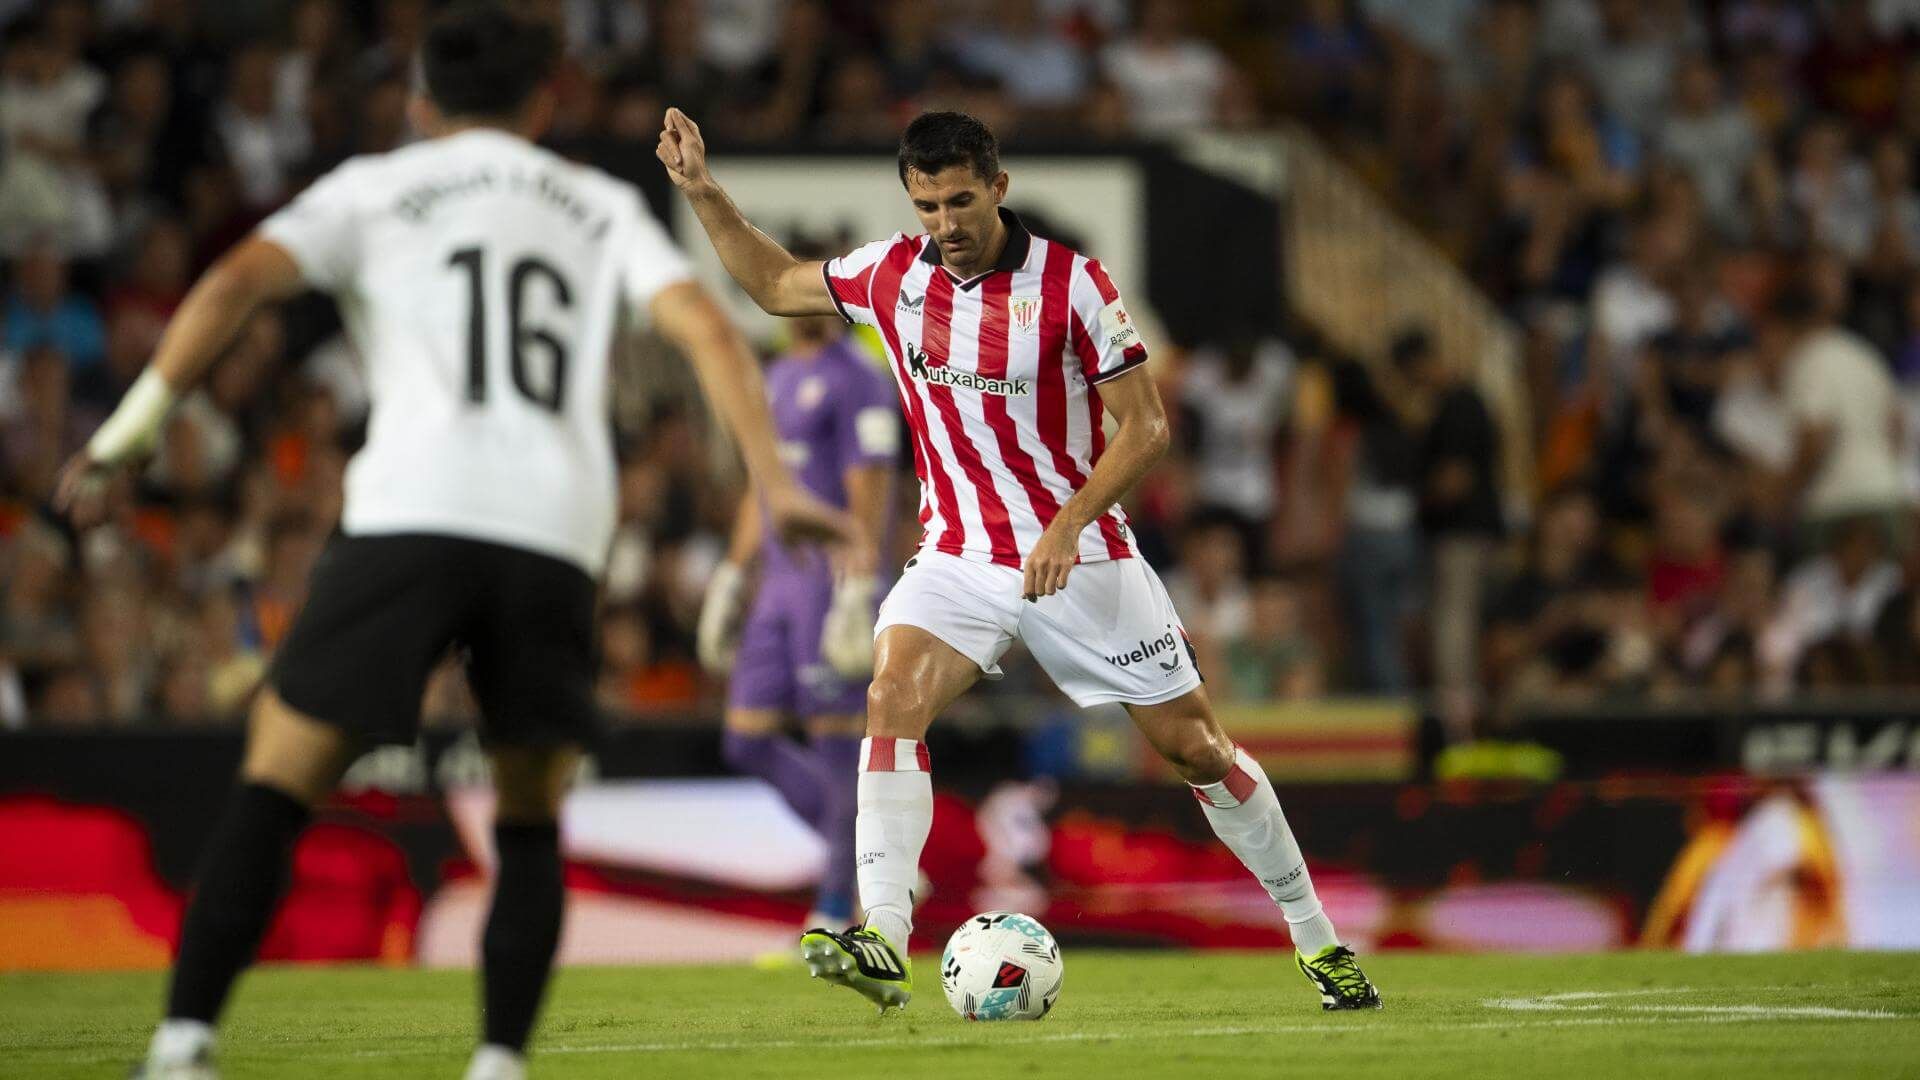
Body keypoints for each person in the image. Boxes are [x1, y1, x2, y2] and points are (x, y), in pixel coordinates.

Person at [58, 7, 851, 1080]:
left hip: (409, 513)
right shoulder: (598, 202)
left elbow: (236, 281)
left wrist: (126, 436)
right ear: (546, 102)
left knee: (280, 776)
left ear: (422, 102)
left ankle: (186, 1042)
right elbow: (709, 327)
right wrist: (773, 480)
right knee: (529, 809)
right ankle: (497, 1063)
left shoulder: (373, 187)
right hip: (554, 532)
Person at [657, 107, 1380, 1012]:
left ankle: (1319, 941)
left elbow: (1147, 427)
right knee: (891, 695)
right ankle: (882, 933)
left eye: (961, 200)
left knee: (1196, 750)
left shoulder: (1074, 285)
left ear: (997, 187)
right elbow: (771, 284)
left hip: (1079, 556)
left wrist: (1071, 521)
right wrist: (703, 192)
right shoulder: (891, 275)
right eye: (927, 205)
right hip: (958, 555)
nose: (946, 224)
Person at [697, 291, 898, 940]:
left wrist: (858, 582)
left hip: (828, 580)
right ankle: (878, 860)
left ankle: (836, 908)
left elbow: (871, 484)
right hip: (778, 584)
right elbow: (766, 488)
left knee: (838, 747)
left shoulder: (860, 380)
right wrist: (733, 572)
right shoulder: (775, 378)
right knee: (747, 738)